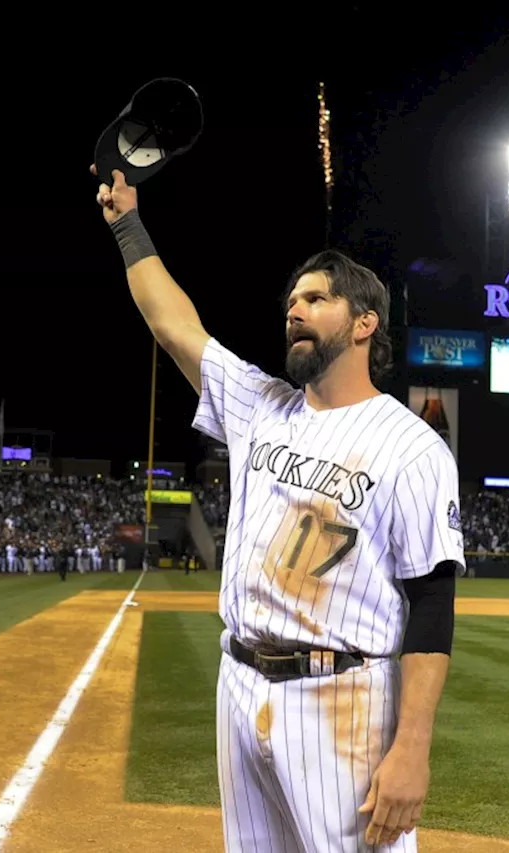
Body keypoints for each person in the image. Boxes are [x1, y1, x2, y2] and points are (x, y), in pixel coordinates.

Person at [94, 165, 463, 851]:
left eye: (316, 298)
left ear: (364, 323)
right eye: (292, 299)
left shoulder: (411, 447)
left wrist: (412, 746)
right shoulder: (262, 406)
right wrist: (126, 222)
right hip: (239, 684)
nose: (294, 309)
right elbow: (172, 323)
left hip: (342, 696)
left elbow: (433, 605)